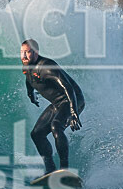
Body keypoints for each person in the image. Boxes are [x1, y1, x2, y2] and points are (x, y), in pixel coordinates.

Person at [20, 39, 85, 175]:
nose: (24, 56)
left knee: (56, 126)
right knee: (36, 134)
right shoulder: (27, 65)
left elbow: (67, 87)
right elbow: (29, 79)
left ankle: (64, 169)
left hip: (73, 100)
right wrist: (30, 94)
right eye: (22, 52)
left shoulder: (47, 66)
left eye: (28, 52)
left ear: (36, 53)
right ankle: (50, 169)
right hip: (58, 103)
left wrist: (73, 112)